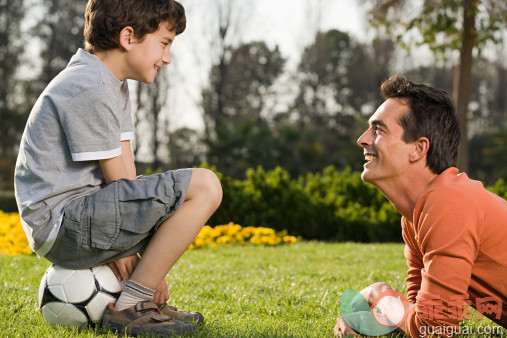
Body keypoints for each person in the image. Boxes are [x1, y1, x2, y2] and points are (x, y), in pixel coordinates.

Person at [14, 0, 223, 335]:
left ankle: (140, 300)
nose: (167, 58)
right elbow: (119, 186)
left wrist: (149, 272)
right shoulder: (90, 85)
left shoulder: (111, 82)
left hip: (78, 218)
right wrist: (137, 269)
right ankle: (129, 308)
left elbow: (126, 176)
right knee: (205, 186)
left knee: (197, 187)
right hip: (65, 224)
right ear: (129, 37)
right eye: (164, 43)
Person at [334, 75, 507, 337]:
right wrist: (375, 320)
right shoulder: (416, 217)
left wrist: (379, 293)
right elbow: (420, 314)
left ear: (418, 149)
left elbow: (434, 328)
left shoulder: (448, 203)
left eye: (378, 130)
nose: (362, 139)